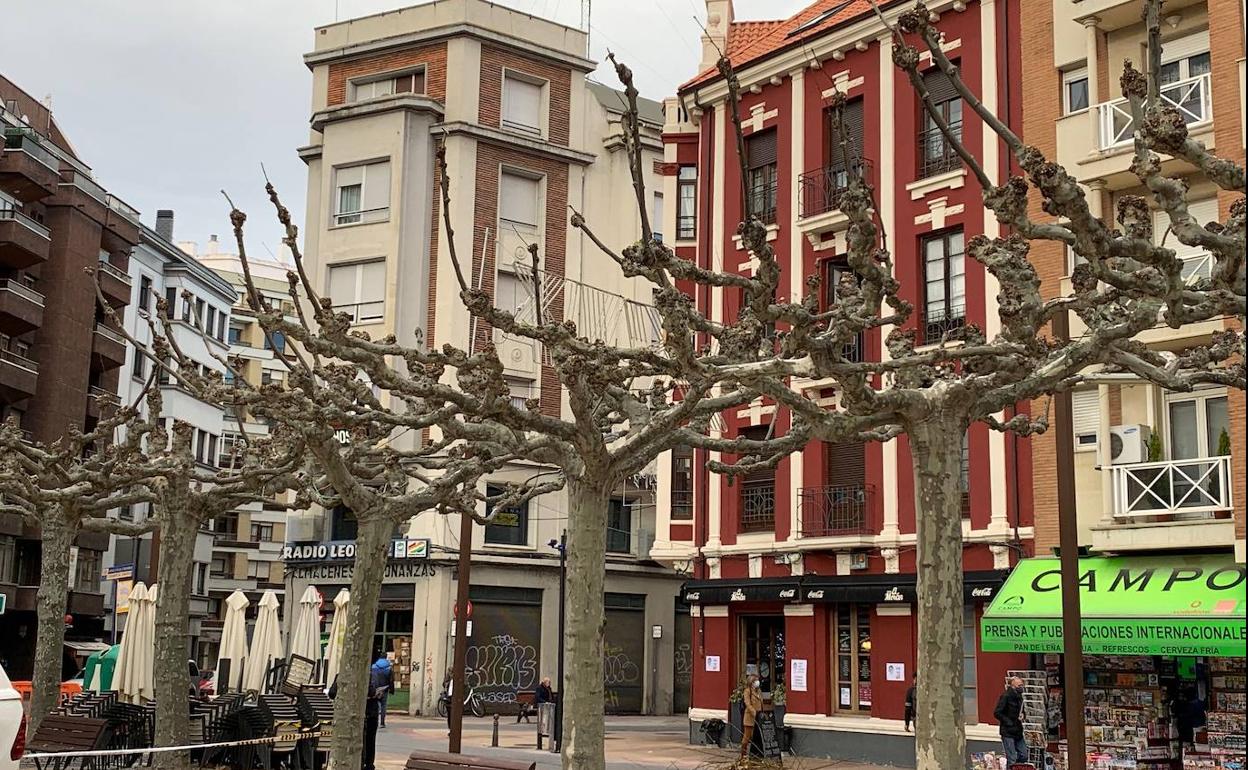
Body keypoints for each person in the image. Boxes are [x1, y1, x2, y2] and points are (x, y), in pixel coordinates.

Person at [994, 676, 1027, 767]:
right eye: (1019, 685)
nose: (1022, 687)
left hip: (1018, 731)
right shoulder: (1005, 696)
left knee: (1024, 755)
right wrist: (1008, 722)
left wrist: (1023, 715)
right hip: (1008, 732)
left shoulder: (1020, 697)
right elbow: (997, 712)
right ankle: (1012, 767)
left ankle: (1017, 767)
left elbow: (1022, 710)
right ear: (1013, 686)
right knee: (1011, 758)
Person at [739, 673, 764, 759]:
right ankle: (743, 754)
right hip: (750, 717)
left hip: (759, 718)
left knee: (757, 737)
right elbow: (747, 704)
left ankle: (756, 755)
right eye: (756, 680)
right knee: (747, 737)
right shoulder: (747, 691)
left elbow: (761, 703)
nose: (758, 682)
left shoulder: (759, 691)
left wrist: (762, 713)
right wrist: (754, 712)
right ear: (752, 682)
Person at [1174, 686, 1207, 752]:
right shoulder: (1200, 703)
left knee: (1192, 744)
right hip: (1200, 726)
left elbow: (1186, 718)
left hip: (1192, 728)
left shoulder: (1189, 705)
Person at [371, 653, 394, 728]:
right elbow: (391, 680)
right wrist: (391, 690)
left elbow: (372, 678)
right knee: (384, 706)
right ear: (386, 657)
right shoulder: (389, 668)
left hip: (375, 689)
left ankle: (375, 721)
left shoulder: (374, 666)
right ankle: (382, 722)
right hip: (385, 689)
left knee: (376, 705)